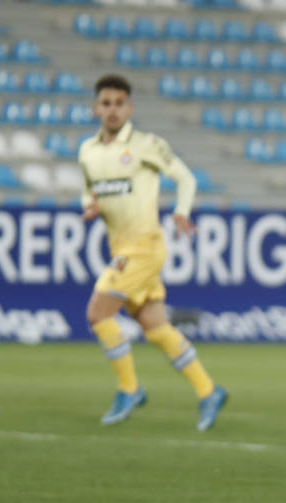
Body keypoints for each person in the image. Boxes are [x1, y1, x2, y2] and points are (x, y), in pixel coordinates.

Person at [78, 73, 228, 430]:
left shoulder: (146, 144)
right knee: (155, 326)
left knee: (98, 314)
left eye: (119, 103)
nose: (112, 110)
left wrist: (180, 211)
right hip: (122, 246)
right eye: (106, 103)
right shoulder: (88, 152)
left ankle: (129, 389)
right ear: (95, 109)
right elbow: (90, 191)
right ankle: (209, 391)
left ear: (129, 108)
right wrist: (90, 206)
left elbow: (185, 178)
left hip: (143, 247)